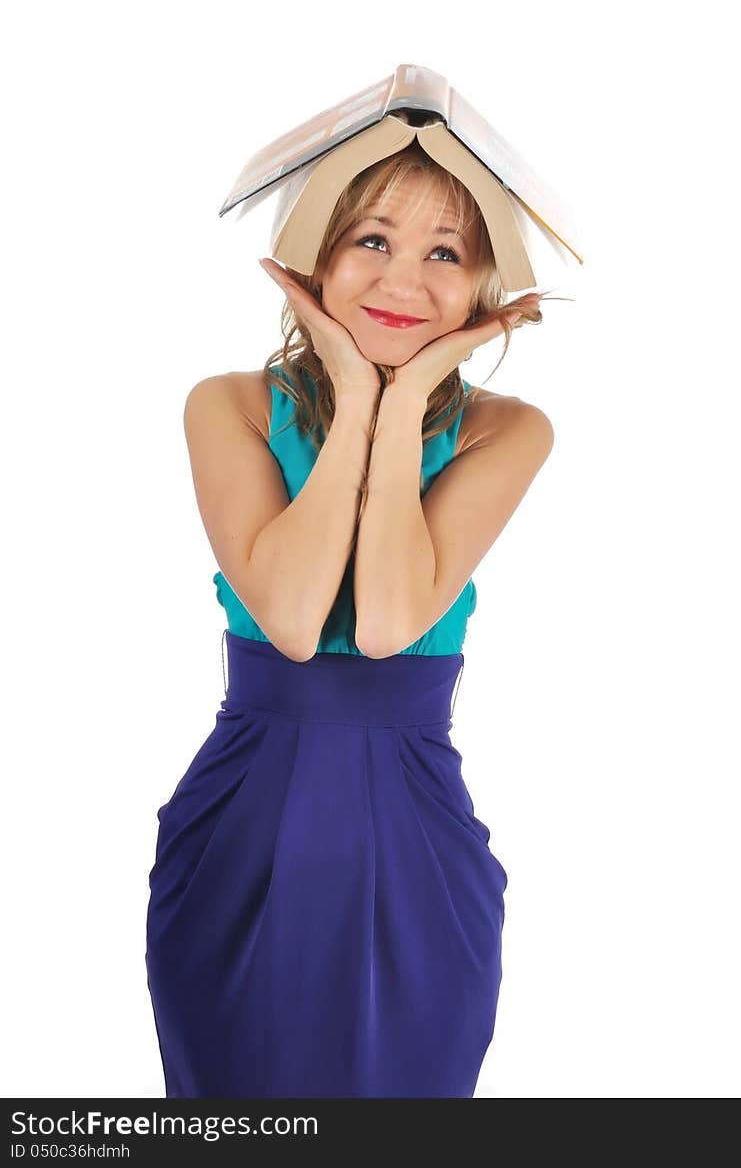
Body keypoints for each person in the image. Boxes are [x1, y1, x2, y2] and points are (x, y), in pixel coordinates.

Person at [145, 142, 555, 1097]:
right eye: (372, 238)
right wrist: (355, 395)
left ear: (484, 286)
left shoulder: (508, 430)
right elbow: (290, 620)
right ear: (318, 253)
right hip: (240, 836)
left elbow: (386, 624)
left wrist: (404, 400)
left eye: (446, 254)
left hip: (415, 845)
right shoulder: (230, 406)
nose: (403, 279)